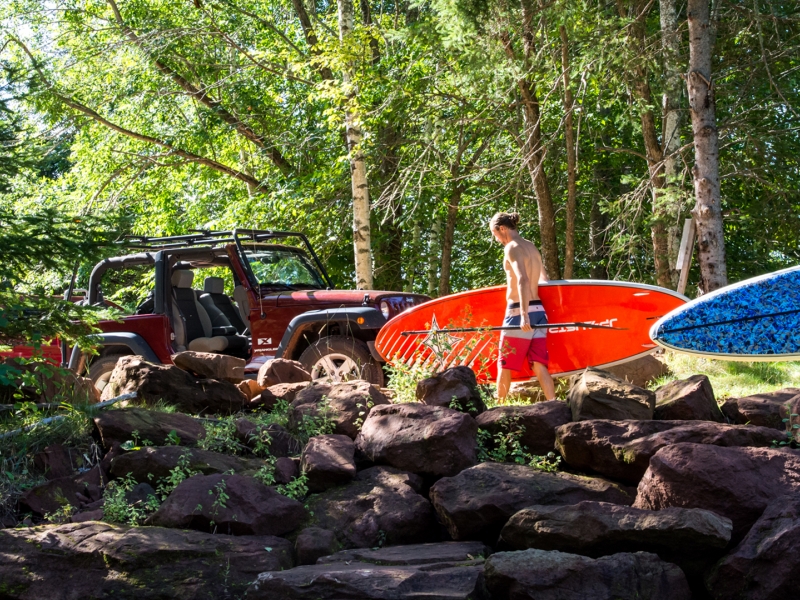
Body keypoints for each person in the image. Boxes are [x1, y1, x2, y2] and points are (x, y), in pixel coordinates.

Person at [490, 212, 556, 402]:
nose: (496, 239)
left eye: (495, 234)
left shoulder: (512, 247)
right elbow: (545, 280)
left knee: (504, 363)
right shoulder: (531, 247)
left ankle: (497, 411)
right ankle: (554, 404)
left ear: (502, 229)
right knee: (538, 363)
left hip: (519, 311)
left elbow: (522, 279)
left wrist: (524, 315)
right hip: (539, 312)